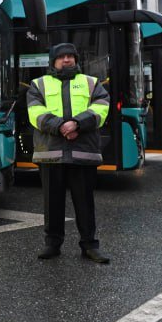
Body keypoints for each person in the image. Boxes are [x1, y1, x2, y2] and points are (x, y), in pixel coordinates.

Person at [27, 42, 111, 264]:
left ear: (76, 59)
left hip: (82, 151)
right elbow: (35, 113)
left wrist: (77, 124)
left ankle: (90, 246)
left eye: (70, 56)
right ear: (53, 61)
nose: (66, 60)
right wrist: (62, 127)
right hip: (51, 152)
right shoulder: (38, 84)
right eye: (61, 57)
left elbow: (102, 107)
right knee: (52, 202)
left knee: (85, 202)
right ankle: (52, 244)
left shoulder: (91, 83)